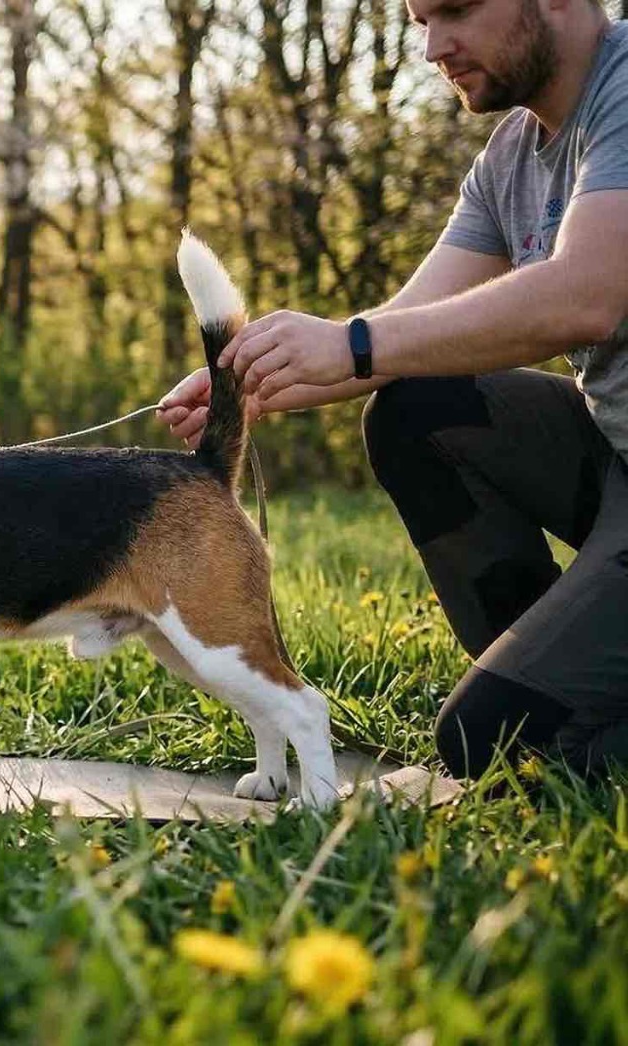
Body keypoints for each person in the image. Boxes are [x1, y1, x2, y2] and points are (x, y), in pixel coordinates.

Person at [158, 0, 628, 780]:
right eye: (418, 21)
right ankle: (547, 670)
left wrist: (351, 343)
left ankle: (546, 710)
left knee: (499, 748)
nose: (434, 47)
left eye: (456, 11)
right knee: (417, 409)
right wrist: (255, 379)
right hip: (615, 459)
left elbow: (588, 294)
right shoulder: (511, 155)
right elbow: (401, 329)